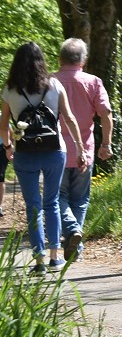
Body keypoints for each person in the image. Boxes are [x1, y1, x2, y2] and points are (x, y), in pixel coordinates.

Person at [1, 41, 87, 274]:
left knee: (33, 206)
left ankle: (38, 261)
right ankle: (54, 257)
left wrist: (8, 146)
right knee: (51, 203)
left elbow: (3, 126)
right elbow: (69, 118)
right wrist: (80, 148)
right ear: (42, 61)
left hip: (25, 153)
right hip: (54, 151)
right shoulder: (54, 85)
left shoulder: (10, 89)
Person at [53, 37, 115, 261]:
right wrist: (105, 144)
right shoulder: (93, 82)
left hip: (53, 151)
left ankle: (71, 233)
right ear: (84, 60)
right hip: (83, 152)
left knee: (57, 197)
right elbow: (106, 115)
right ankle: (75, 240)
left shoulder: (48, 81)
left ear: (60, 59)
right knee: (79, 199)